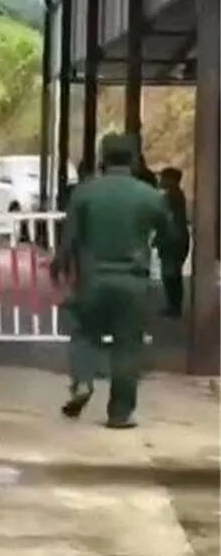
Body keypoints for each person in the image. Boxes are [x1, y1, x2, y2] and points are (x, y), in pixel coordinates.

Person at [54, 132, 175, 429]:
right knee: (127, 345)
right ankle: (119, 413)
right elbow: (170, 235)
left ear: (102, 159)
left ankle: (83, 381)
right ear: (134, 161)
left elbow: (69, 239)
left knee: (84, 333)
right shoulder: (150, 196)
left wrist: (61, 267)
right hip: (133, 282)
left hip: (93, 279)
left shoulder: (85, 193)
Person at [158, 167, 190, 316]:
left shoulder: (172, 197)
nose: (161, 181)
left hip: (173, 240)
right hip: (177, 238)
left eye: (163, 178)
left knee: (171, 274)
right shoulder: (177, 195)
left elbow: (168, 219)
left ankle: (174, 307)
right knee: (173, 274)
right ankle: (174, 305)